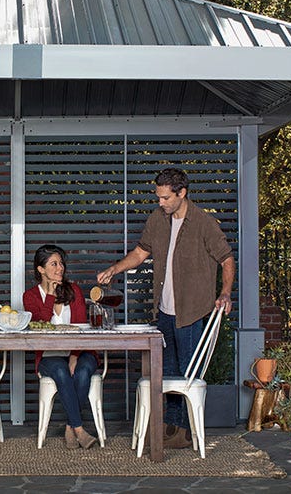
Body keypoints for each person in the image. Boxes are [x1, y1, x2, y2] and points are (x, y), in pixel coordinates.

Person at [96, 167, 235, 449]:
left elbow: (227, 259)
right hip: (165, 312)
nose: (160, 202)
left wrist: (225, 293)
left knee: (186, 373)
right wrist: (115, 269)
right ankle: (171, 427)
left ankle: (184, 430)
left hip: (192, 311)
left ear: (181, 193)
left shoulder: (203, 223)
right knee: (168, 372)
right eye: (158, 197)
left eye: (165, 198)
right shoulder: (157, 220)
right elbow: (139, 253)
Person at [22, 244, 99, 449]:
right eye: (54, 264)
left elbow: (82, 326)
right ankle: (80, 430)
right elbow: (40, 324)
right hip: (50, 356)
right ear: (41, 269)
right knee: (61, 370)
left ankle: (70, 427)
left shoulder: (73, 290)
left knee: (82, 371)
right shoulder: (30, 296)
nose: (60, 268)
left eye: (61, 263)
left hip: (80, 351)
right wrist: (50, 294)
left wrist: (74, 355)